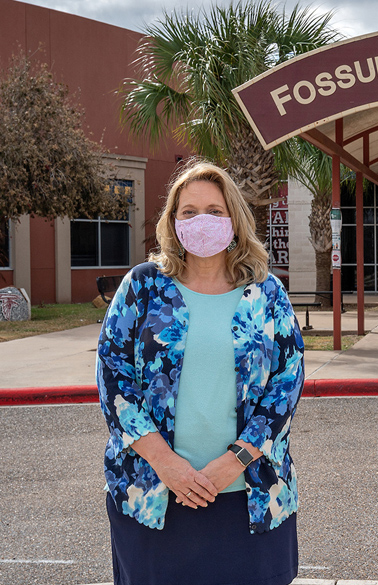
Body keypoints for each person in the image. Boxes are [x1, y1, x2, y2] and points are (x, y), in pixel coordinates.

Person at [97, 159, 305, 585]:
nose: (201, 221)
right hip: (154, 493)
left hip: (250, 495)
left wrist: (234, 462)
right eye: (188, 212)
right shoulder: (143, 286)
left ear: (234, 219)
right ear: (172, 223)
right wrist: (166, 463)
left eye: (214, 210)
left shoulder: (266, 292)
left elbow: (287, 384)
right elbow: (113, 378)